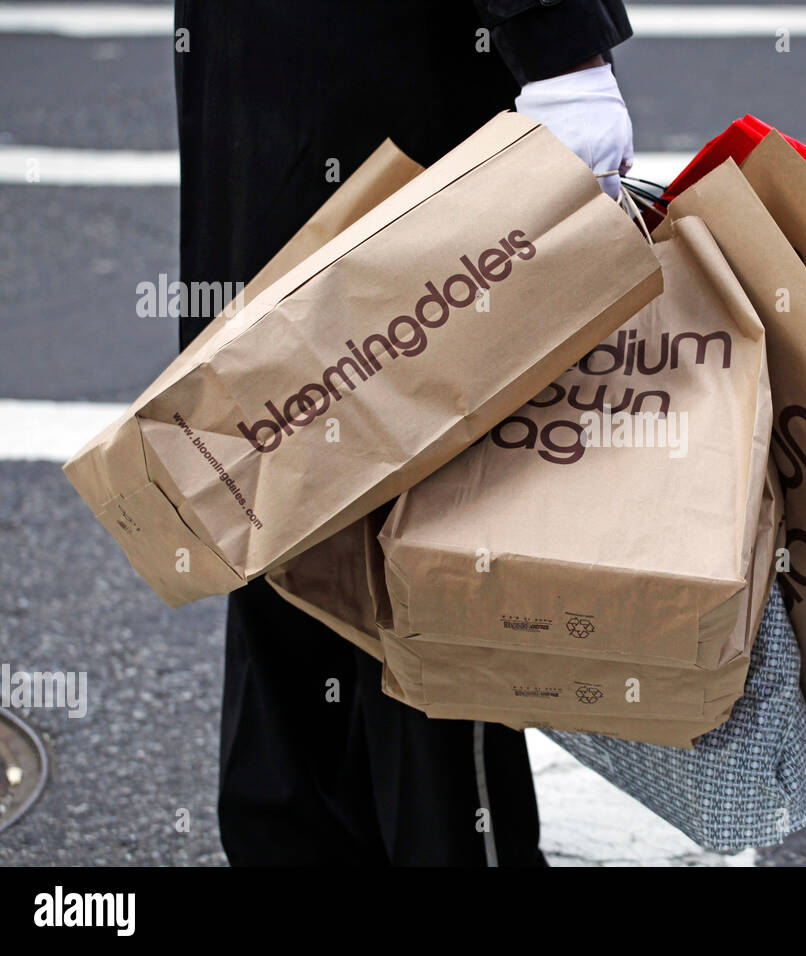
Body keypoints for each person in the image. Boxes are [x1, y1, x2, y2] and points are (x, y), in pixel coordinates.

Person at [174, 0, 636, 866]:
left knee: (283, 452)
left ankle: (297, 841)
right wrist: (560, 48)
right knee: (418, 504)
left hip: (262, 58)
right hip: (401, 54)